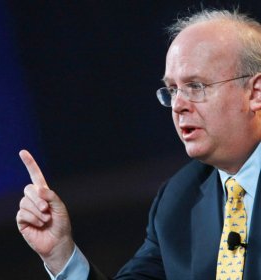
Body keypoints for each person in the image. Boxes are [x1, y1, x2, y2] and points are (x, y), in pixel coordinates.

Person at [16, 8, 261, 280]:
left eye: (196, 86)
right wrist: (61, 256)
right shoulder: (179, 199)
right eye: (172, 90)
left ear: (255, 93)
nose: (178, 105)